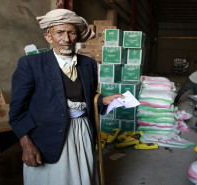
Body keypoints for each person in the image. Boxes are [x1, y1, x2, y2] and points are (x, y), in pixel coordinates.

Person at [9, 9, 122, 185]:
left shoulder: (88, 64)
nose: (67, 39)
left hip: (81, 132)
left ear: (76, 36)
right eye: (60, 33)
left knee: (81, 178)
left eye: (71, 32)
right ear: (49, 37)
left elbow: (87, 96)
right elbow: (17, 111)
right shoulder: (31, 64)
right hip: (46, 136)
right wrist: (26, 143)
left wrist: (102, 100)